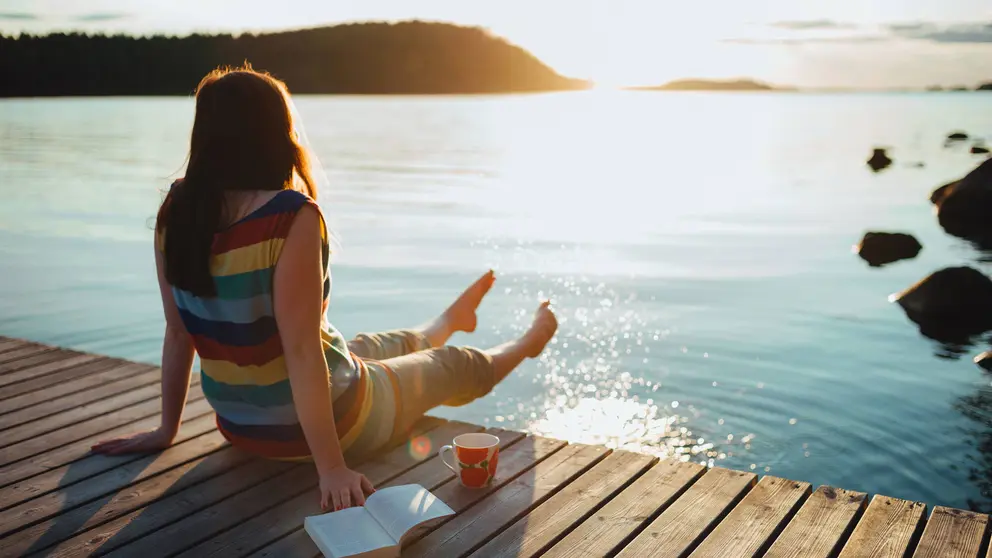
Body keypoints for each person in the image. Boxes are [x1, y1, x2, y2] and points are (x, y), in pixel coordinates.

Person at [91, 65, 557, 513]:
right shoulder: (290, 216)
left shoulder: (177, 209)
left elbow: (177, 334)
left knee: (371, 347)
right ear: (275, 132)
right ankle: (528, 342)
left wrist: (165, 429)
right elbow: (301, 352)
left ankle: (448, 322)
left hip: (239, 426)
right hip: (338, 422)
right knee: (451, 365)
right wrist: (333, 468)